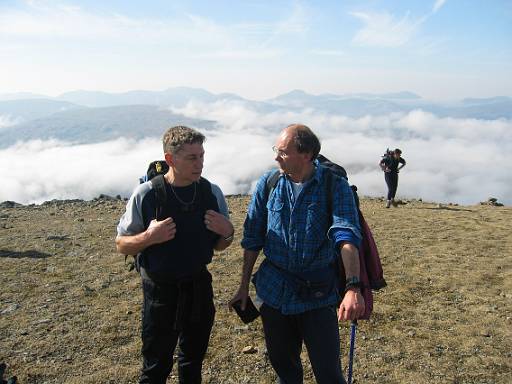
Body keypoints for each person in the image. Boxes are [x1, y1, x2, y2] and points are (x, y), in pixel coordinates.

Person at [229, 124, 365, 384]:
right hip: (274, 292)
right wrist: (243, 286)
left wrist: (353, 287)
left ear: (306, 154)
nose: (275, 157)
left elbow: (346, 235)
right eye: (276, 150)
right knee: (285, 371)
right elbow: (253, 237)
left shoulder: (334, 186)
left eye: (282, 151)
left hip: (318, 295)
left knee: (328, 374)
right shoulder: (268, 184)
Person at [116, 126, 234, 384]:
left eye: (202, 156)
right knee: (156, 366)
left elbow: (219, 245)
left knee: (192, 362)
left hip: (198, 285)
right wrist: (149, 237)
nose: (200, 163)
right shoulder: (147, 194)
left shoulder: (210, 193)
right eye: (192, 158)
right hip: (161, 290)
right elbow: (122, 244)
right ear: (170, 159)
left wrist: (228, 233)